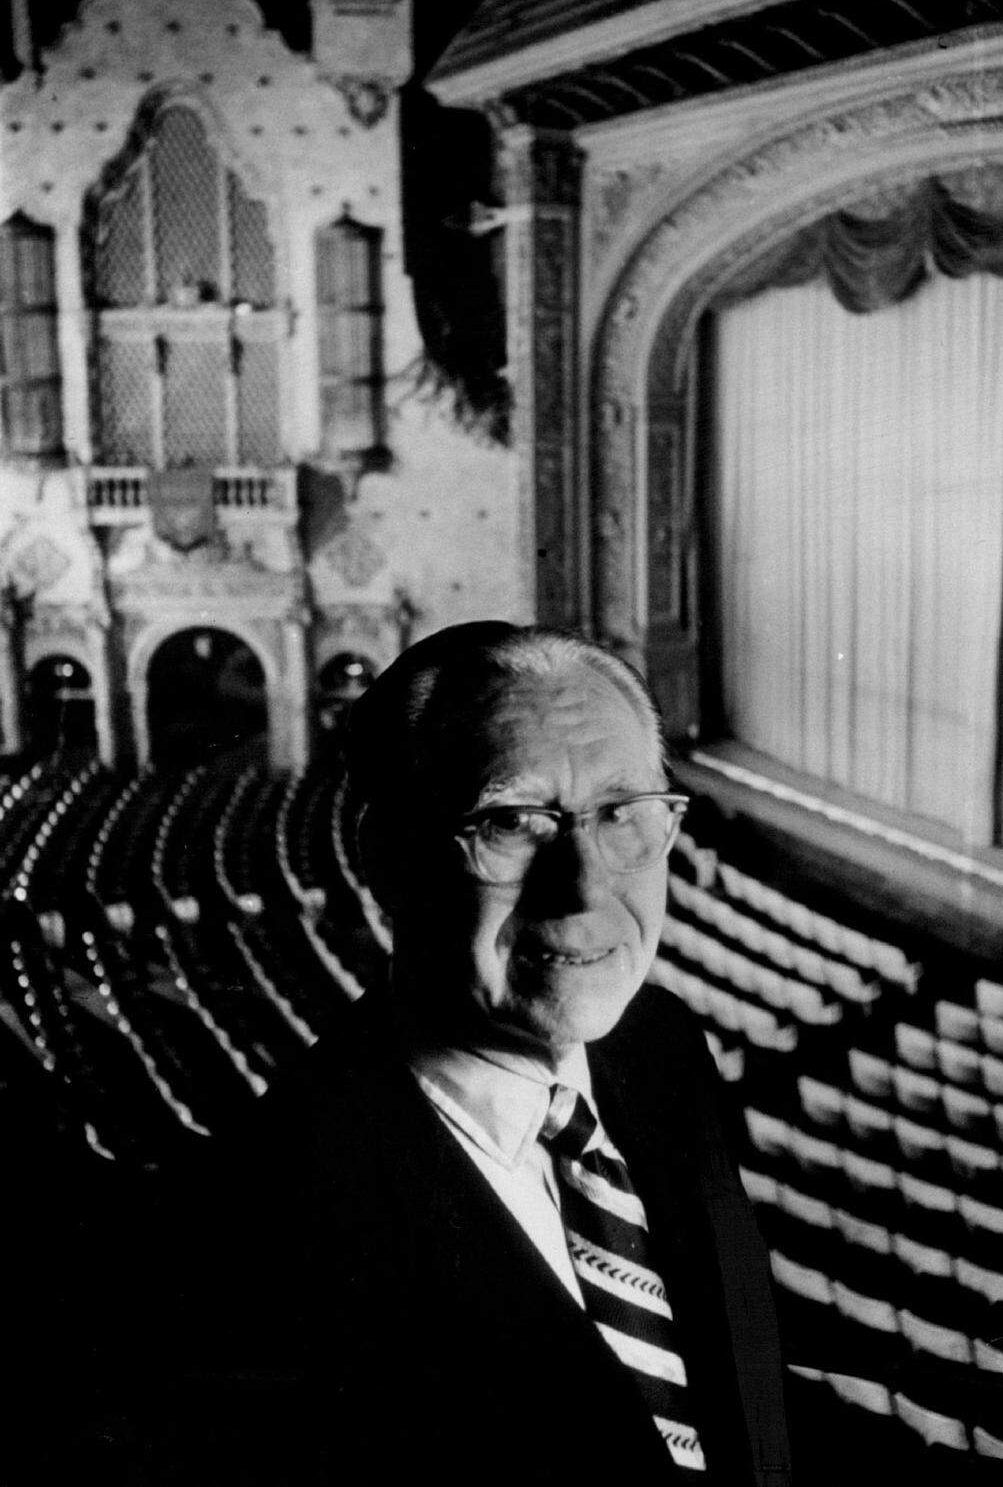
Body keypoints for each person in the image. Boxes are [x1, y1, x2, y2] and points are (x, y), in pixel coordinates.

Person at [41, 621, 791, 1485]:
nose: (584, 887)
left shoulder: (661, 1045)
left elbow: (732, 1390)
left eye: (622, 813)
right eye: (512, 823)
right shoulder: (264, 1240)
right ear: (388, 859)